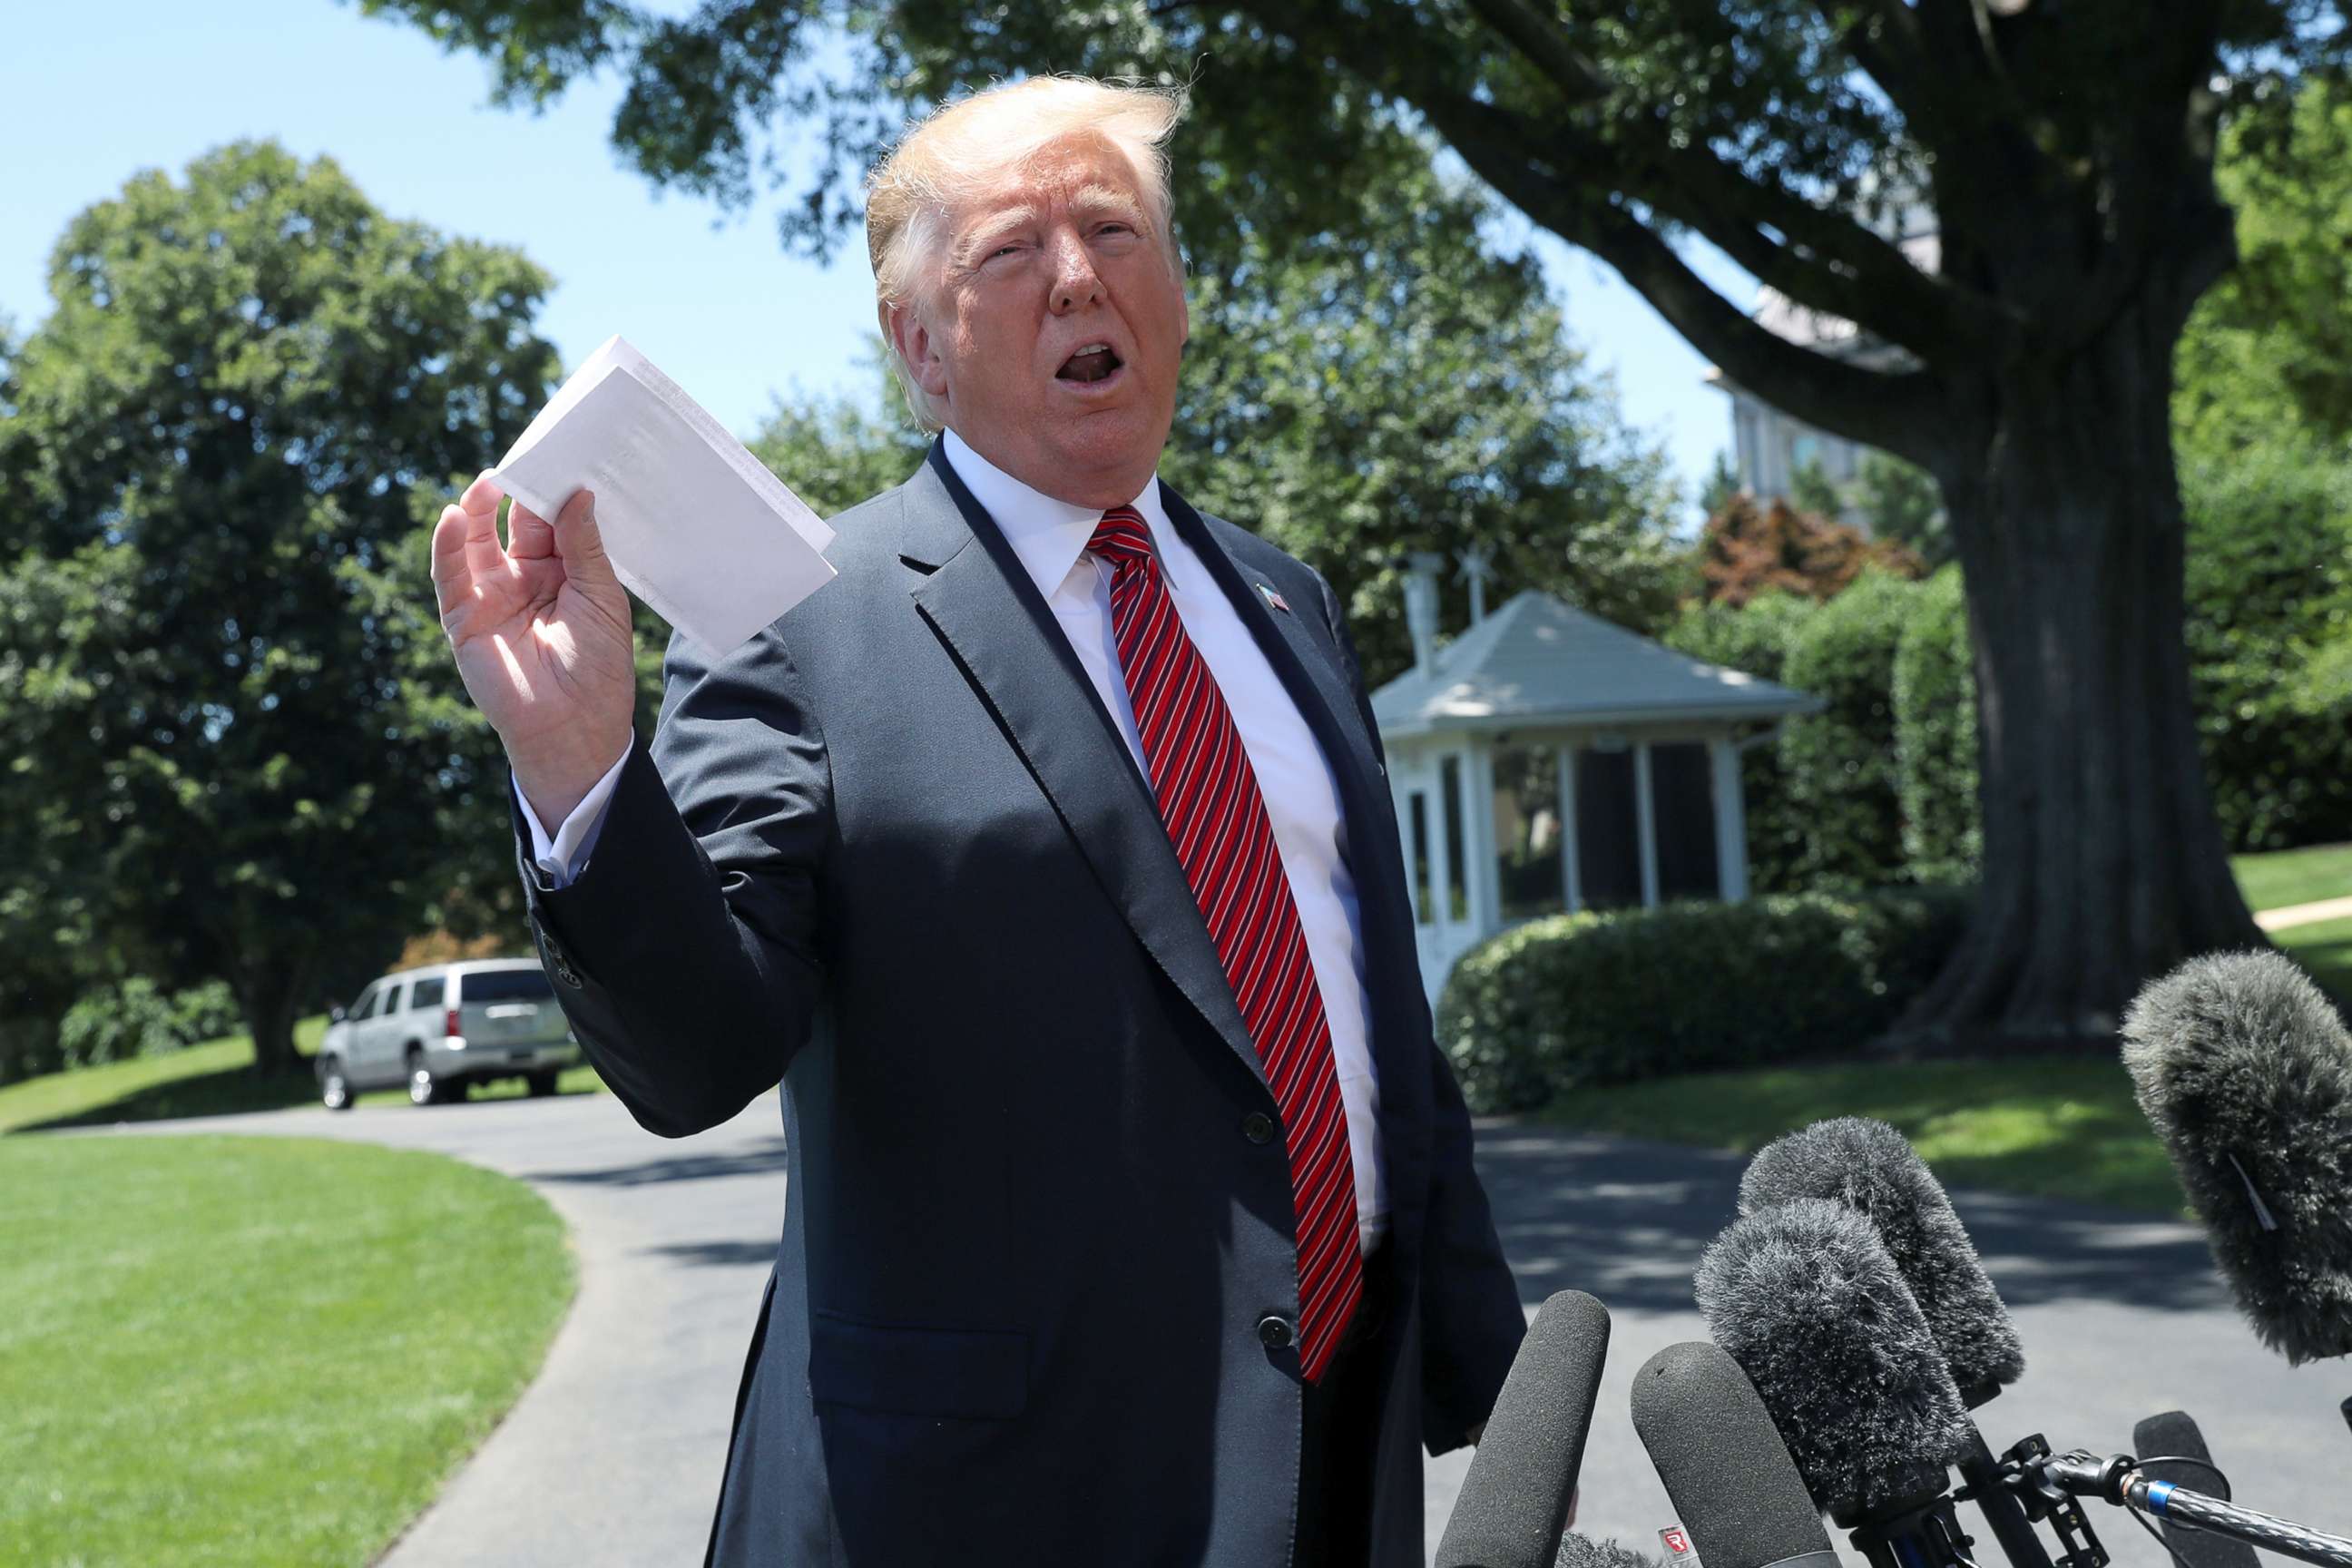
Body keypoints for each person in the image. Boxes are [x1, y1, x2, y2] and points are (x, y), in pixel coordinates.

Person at [430, 74, 1529, 1568]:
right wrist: (579, 771)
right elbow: (700, 1056)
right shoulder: (801, 621)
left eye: (1115, 230)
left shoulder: (1286, 602)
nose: (1080, 275)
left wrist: (1499, 1390)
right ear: (919, 347)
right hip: (983, 1502)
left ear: (1181, 294)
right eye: (1012, 251)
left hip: (1332, 1464)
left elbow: (1363, 1007)